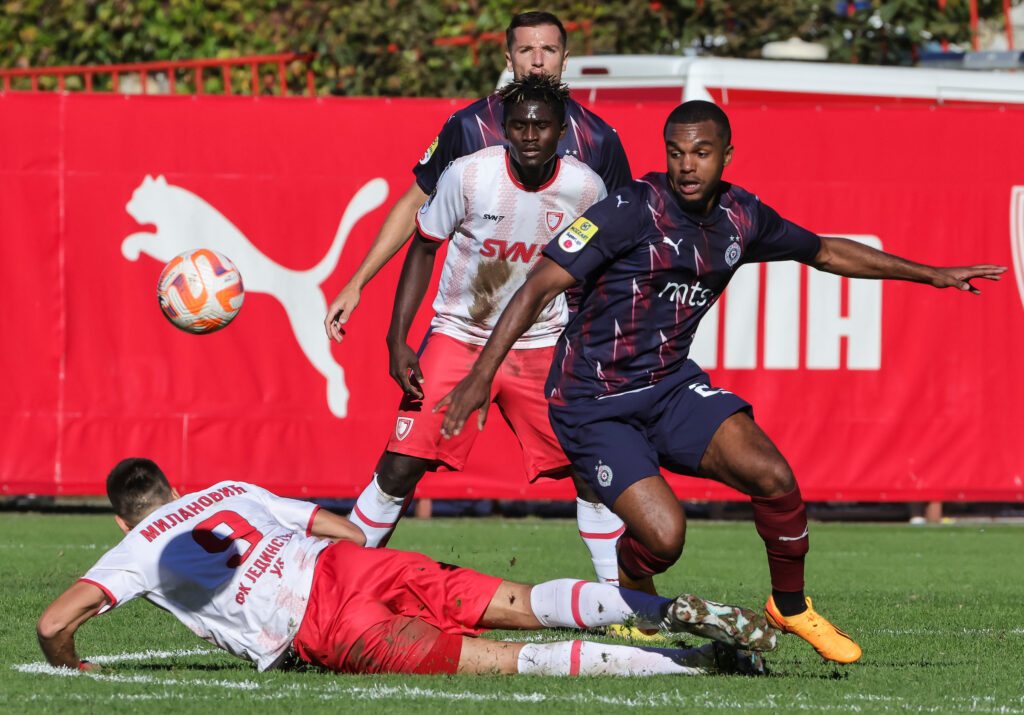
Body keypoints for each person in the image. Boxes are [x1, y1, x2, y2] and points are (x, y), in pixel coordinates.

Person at [434, 100, 1008, 665]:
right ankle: (634, 580)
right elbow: (536, 287)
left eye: (702, 153)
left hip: (668, 387)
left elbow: (826, 251)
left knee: (773, 474)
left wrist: (930, 274)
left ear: (726, 156)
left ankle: (789, 604)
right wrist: (482, 373)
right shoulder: (632, 209)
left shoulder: (741, 217)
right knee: (665, 538)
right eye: (676, 153)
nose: (687, 165)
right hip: (594, 400)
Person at [36, 457, 778, 677]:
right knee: (518, 601)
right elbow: (336, 522)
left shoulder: (136, 547)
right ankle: (657, 608)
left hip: (325, 624)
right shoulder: (227, 490)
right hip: (352, 566)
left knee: (508, 660)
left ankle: (690, 665)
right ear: (174, 486)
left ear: (123, 517)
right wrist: (371, 561)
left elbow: (52, 621)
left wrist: (72, 665)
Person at [345, 74, 635, 595]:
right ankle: (334, 586)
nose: (529, 134)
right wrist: (397, 338)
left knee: (592, 468)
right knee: (399, 466)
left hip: (542, 343)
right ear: (503, 128)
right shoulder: (467, 176)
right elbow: (424, 247)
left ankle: (623, 601)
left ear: (561, 130)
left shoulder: (587, 187)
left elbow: (608, 264)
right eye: (519, 124)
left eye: (541, 125)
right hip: (459, 336)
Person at [324, 11, 631, 345]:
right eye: (527, 51)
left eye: (550, 50)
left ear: (565, 58)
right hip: (469, 328)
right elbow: (414, 203)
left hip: (555, 333)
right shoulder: (471, 126)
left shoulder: (599, 138)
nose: (539, 62)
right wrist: (357, 283)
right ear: (509, 59)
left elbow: (623, 235)